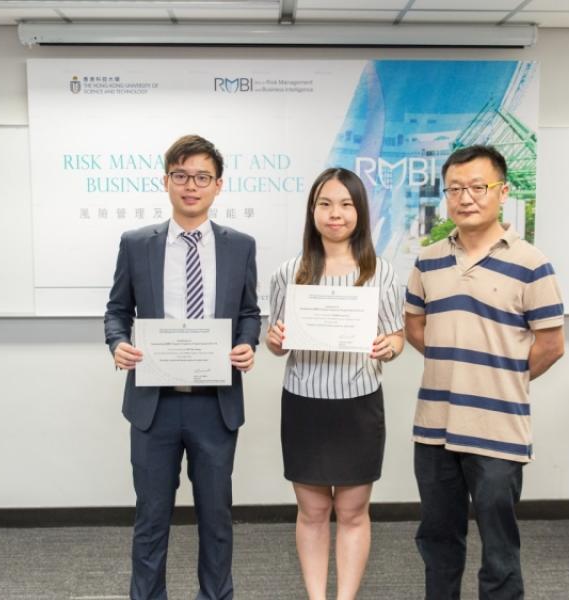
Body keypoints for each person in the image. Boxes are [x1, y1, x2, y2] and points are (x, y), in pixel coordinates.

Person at [404, 145, 565, 600]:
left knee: (498, 545)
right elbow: (414, 326)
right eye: (455, 188)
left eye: (478, 187)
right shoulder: (428, 259)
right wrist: (455, 368)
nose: (465, 197)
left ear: (502, 191)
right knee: (437, 539)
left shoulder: (532, 263)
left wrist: (502, 377)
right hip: (434, 428)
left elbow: (551, 345)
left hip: (498, 429)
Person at [104, 134, 260, 600]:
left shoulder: (240, 246)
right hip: (154, 405)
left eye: (202, 178)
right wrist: (118, 343)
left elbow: (249, 312)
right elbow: (116, 310)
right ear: (166, 181)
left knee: (216, 519)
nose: (191, 186)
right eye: (181, 176)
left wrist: (247, 344)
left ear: (218, 186)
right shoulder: (137, 244)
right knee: (151, 519)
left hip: (215, 405)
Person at [265, 167, 404, 600]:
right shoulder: (290, 272)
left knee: (352, 511)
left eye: (346, 204)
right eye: (325, 204)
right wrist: (274, 340)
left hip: (358, 406)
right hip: (305, 405)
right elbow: (276, 342)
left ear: (360, 212)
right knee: (312, 511)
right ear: (312, 211)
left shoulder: (381, 272)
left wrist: (390, 347)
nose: (335, 214)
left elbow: (397, 335)